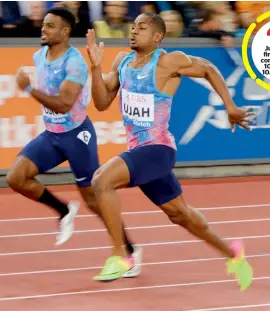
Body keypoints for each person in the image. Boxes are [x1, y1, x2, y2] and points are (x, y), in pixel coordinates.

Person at [85, 12, 255, 289]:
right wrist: (94, 67)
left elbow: (208, 68)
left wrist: (230, 106)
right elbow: (102, 103)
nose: (134, 30)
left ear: (157, 37)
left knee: (101, 180)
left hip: (158, 150)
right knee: (180, 215)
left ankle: (121, 256)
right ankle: (233, 254)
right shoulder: (123, 62)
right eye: (133, 26)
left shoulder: (168, 61)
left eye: (142, 27)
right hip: (140, 153)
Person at [8, 7, 142, 278]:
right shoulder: (39, 55)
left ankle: (129, 251)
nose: (43, 29)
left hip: (77, 136)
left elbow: (64, 104)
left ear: (65, 31)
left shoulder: (75, 63)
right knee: (16, 178)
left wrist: (28, 88)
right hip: (52, 135)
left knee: (94, 200)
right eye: (43, 24)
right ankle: (64, 210)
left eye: (50, 26)